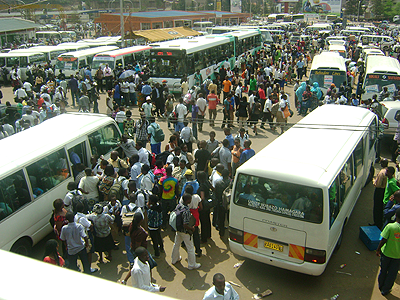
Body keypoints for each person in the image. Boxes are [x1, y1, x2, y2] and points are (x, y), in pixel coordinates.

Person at [171, 193, 201, 270]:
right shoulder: (187, 210)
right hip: (185, 232)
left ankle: (174, 259)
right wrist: (191, 228)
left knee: (176, 244)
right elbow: (185, 224)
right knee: (190, 247)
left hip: (178, 229)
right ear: (188, 200)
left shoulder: (179, 206)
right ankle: (192, 264)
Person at [376, 208, 400, 296]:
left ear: (396, 216)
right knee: (392, 273)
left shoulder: (390, 226)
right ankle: (386, 290)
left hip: (386, 253)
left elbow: (383, 240)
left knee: (383, 270)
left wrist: (378, 250)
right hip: (397, 256)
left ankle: (381, 285)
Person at [372, 159, 389, 229]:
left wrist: (373, 181)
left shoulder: (382, 172)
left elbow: (378, 184)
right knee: (381, 207)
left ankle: (376, 223)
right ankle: (380, 223)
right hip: (384, 190)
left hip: (379, 191)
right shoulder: (388, 171)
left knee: (377, 207)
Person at [197, 171, 212, 243]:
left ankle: (203, 238)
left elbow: (202, 198)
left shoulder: (202, 186)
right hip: (208, 205)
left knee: (203, 222)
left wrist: (200, 204)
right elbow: (213, 189)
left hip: (203, 206)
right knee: (207, 220)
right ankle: (208, 235)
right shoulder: (207, 182)